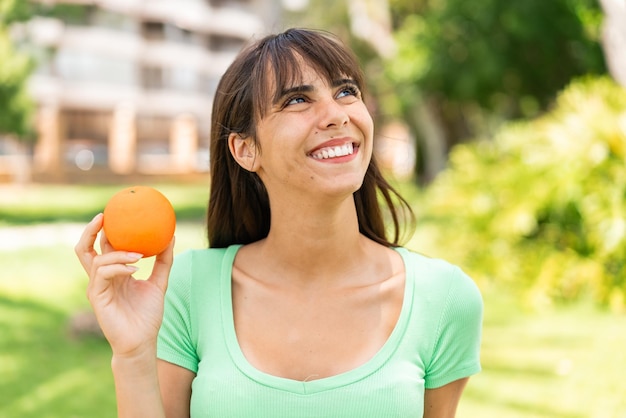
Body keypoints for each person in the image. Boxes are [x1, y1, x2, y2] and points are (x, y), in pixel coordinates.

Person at [75, 28, 483, 418]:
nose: (336, 115)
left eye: (346, 92)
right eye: (296, 101)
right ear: (246, 149)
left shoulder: (444, 298)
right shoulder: (189, 287)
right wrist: (132, 355)